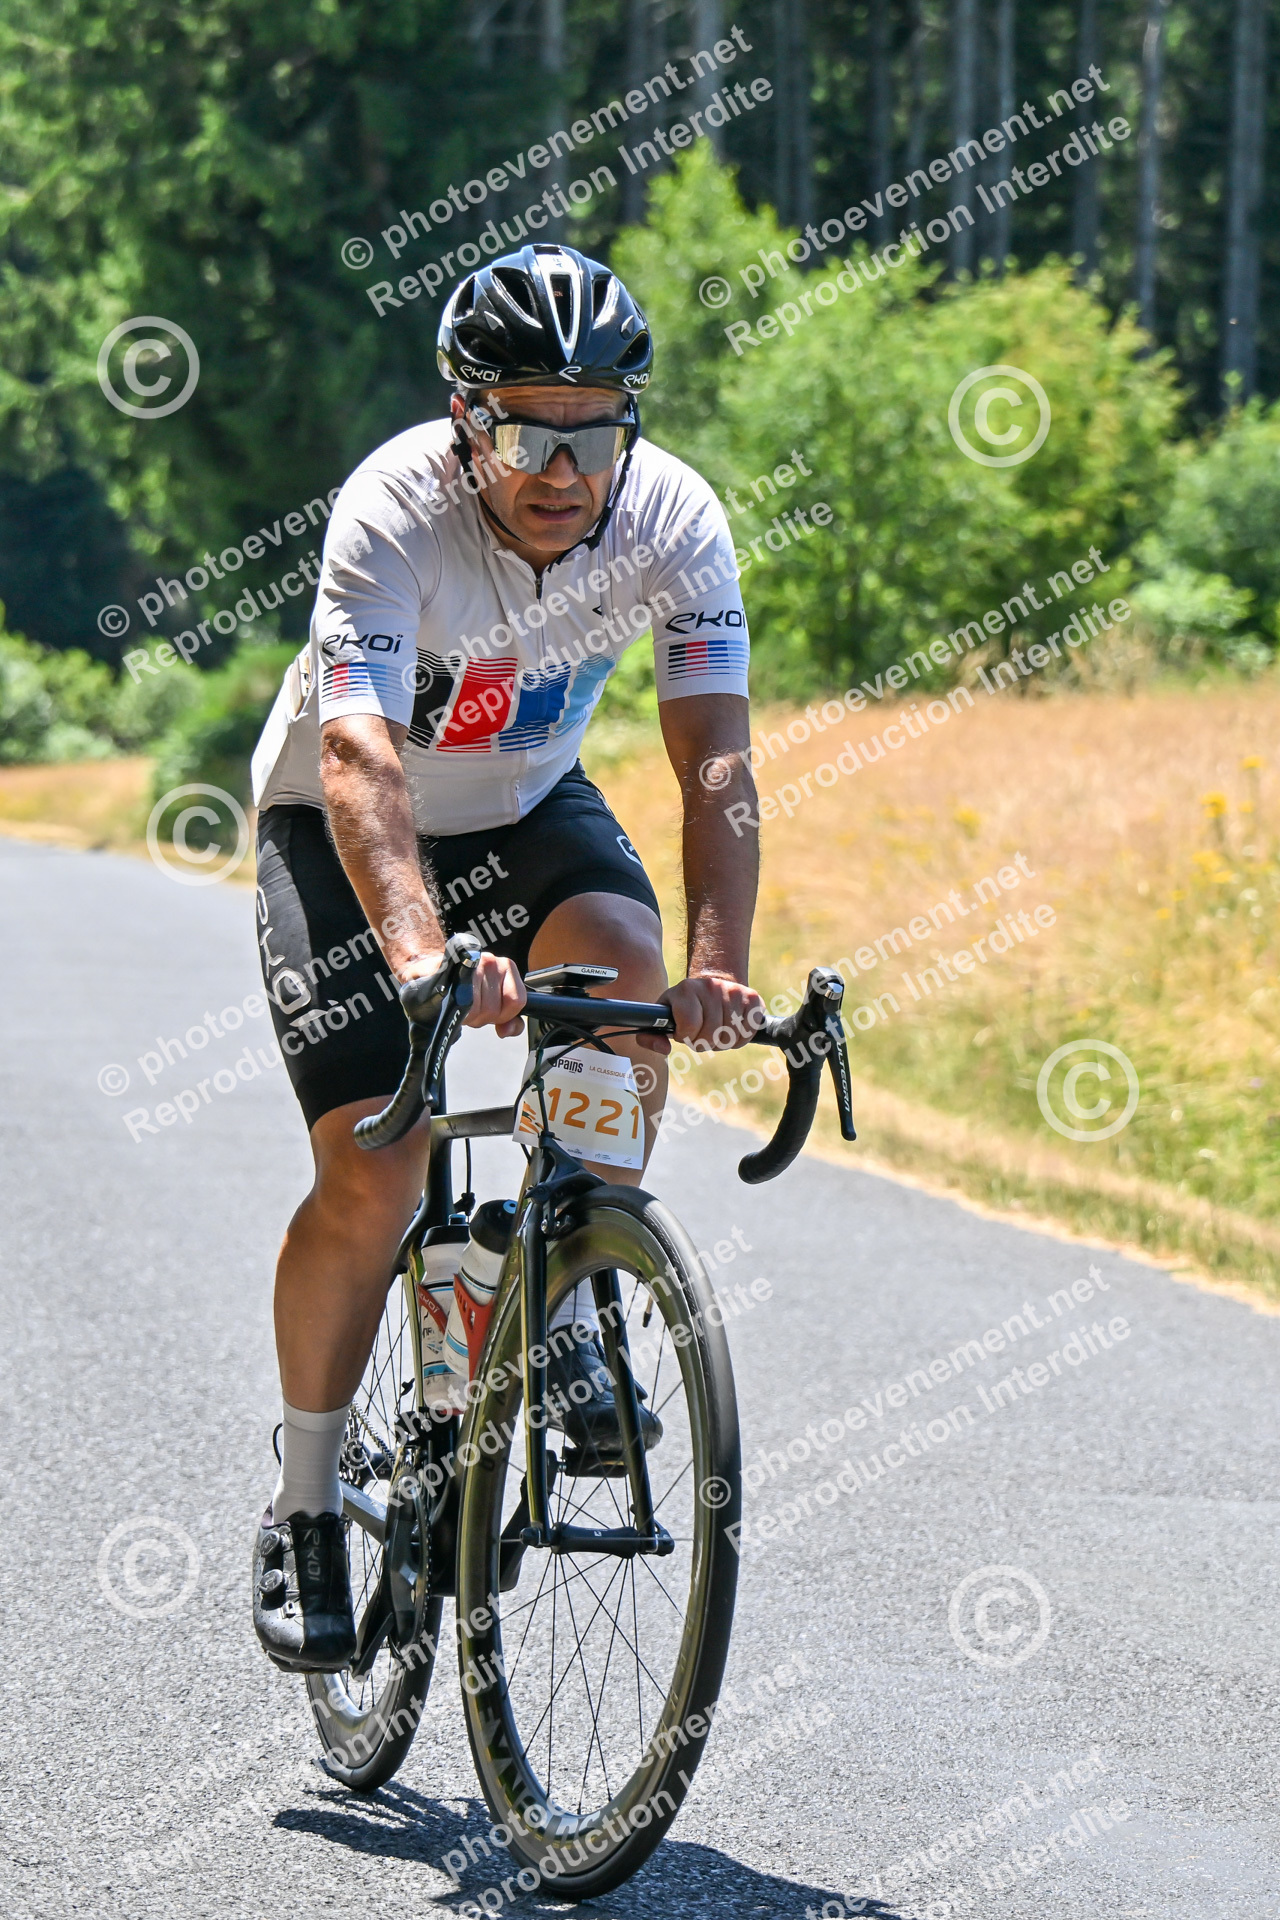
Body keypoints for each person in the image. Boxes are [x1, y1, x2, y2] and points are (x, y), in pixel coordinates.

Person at [248, 242, 762, 1671]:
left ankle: (573, 1292)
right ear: (465, 420)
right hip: (348, 830)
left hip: (530, 808)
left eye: (595, 432)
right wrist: (421, 954)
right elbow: (358, 754)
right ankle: (305, 1504)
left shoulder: (675, 519)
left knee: (622, 981)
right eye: (528, 433)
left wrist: (719, 962)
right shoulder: (391, 509)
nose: (563, 470)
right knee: (376, 1165)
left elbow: (715, 759)